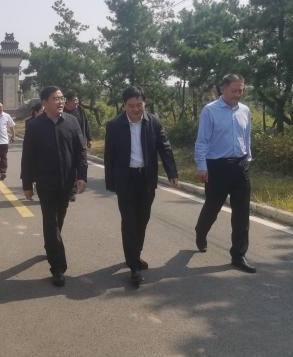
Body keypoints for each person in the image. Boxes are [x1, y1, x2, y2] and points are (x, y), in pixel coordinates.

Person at [104, 86, 178, 286]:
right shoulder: (114, 125)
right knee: (129, 221)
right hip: (125, 179)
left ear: (144, 104)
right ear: (124, 106)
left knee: (142, 219)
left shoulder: (153, 122)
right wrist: (111, 182)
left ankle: (135, 254)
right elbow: (109, 155)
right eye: (131, 106)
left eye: (139, 105)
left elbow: (164, 147)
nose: (136, 109)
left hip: (146, 178)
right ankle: (134, 266)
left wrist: (172, 171)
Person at [21, 86, 87, 287]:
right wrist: (27, 184)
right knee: (50, 222)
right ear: (44, 103)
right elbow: (28, 157)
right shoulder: (35, 126)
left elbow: (80, 151)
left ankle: (51, 246)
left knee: (59, 219)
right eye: (55, 98)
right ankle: (58, 267)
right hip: (45, 182)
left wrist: (82, 176)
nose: (60, 102)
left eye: (61, 98)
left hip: (67, 182)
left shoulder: (72, 122)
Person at [194, 73, 255, 273]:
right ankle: (201, 231)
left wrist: (248, 159)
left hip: (240, 167)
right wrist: (202, 166)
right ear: (223, 89)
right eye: (234, 90)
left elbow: (246, 137)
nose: (238, 94)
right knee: (212, 207)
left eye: (241, 90)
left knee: (242, 214)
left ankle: (238, 255)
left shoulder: (245, 110)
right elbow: (202, 141)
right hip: (217, 167)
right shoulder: (210, 110)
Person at [63, 91, 92, 202]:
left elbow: (86, 123)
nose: (77, 102)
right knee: (70, 168)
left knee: (79, 165)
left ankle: (73, 190)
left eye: (77, 99)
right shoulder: (61, 112)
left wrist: (89, 138)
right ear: (67, 101)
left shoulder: (80, 110)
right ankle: (69, 190)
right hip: (67, 145)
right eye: (74, 100)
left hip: (80, 143)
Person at [0, 102, 15, 180]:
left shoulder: (7, 116)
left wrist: (13, 136)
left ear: (2, 108)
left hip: (4, 141)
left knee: (3, 157)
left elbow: (11, 126)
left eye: (0, 107)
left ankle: (3, 172)